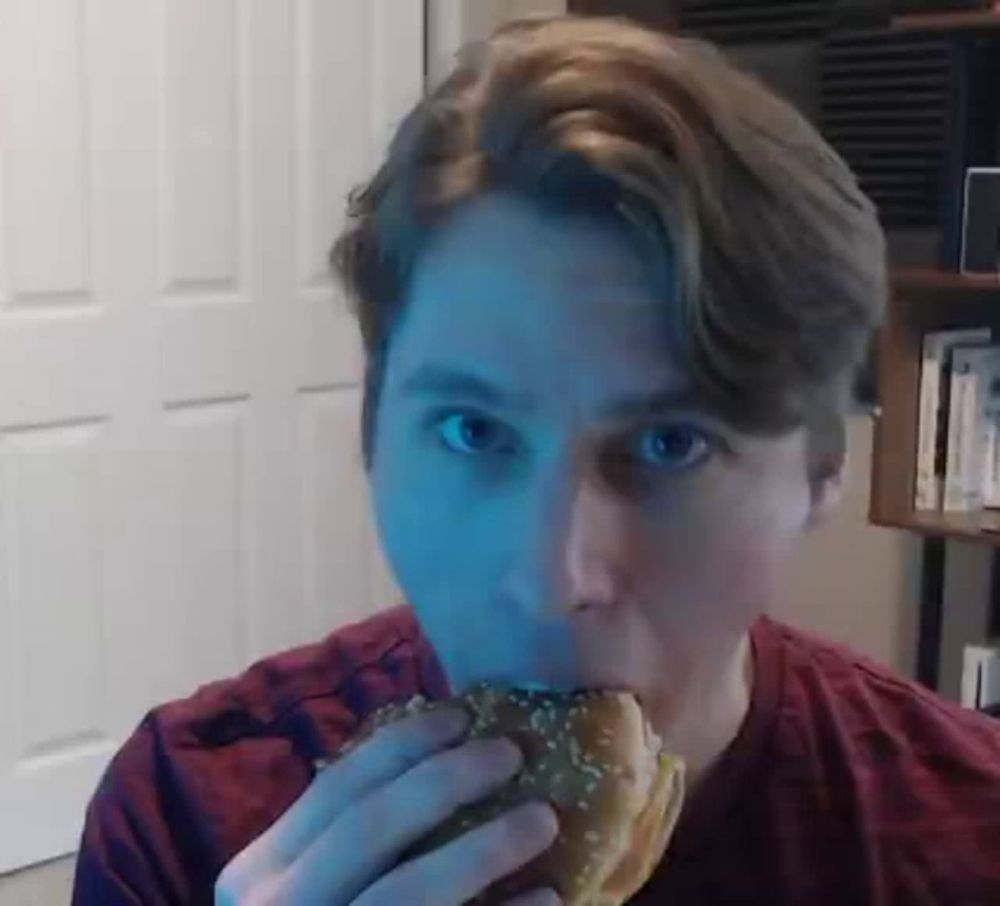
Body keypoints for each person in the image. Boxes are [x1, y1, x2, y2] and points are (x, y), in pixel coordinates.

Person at [72, 14, 1000, 905]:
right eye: (473, 431)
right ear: (371, 431)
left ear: (820, 476)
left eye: (669, 444)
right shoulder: (188, 819)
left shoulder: (968, 839)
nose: (551, 579)